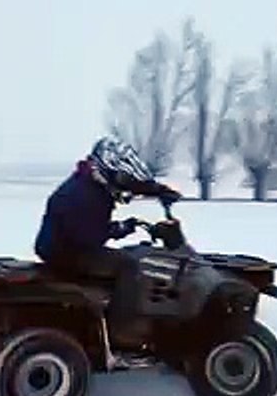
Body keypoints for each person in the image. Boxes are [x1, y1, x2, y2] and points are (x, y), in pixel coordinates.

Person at [33, 136, 182, 348]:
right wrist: (120, 228)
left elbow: (128, 181)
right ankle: (123, 330)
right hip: (67, 252)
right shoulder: (85, 195)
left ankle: (116, 305)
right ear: (106, 169)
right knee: (130, 265)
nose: (122, 182)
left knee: (131, 252)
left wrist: (157, 190)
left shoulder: (90, 181)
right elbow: (90, 236)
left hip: (65, 244)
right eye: (119, 176)